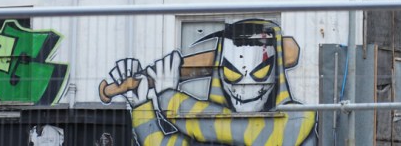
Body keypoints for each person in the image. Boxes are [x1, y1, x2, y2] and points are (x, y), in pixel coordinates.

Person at [103, 19, 317, 146]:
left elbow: (222, 124)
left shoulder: (298, 117)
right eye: (232, 73)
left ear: (275, 74)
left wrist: (168, 95)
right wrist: (142, 107)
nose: (245, 85)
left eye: (260, 71)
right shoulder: (214, 135)